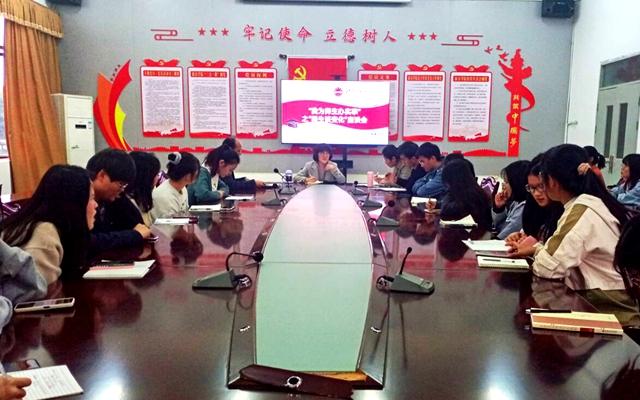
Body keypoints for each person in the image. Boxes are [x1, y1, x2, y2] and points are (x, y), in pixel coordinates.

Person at [513, 144, 630, 291]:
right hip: (599, 294)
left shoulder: (581, 210)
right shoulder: (586, 203)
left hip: (603, 300)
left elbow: (547, 267)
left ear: (552, 181)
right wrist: (536, 249)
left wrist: (537, 250)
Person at [1, 165, 98, 283]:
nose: (96, 205)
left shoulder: (52, 227)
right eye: (91, 198)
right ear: (74, 203)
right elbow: (39, 291)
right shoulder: (44, 238)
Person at [87, 149, 152, 253]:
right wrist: (133, 235)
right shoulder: (78, 196)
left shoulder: (110, 198)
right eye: (121, 184)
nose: (122, 190)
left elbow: (139, 225)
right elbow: (88, 241)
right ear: (102, 175)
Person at [506, 155, 564, 246]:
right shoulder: (533, 208)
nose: (536, 193)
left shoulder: (565, 212)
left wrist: (535, 247)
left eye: (541, 186)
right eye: (532, 188)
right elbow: (530, 233)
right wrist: (518, 236)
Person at [104, 151, 161, 229]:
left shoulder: (140, 199)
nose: (158, 178)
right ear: (146, 178)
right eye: (156, 174)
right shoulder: (123, 204)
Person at [440, 159, 492, 231]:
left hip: (473, 234)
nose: (447, 186)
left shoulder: (470, 197)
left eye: (448, 183)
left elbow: (446, 212)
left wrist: (450, 192)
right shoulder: (474, 191)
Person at [151, 152, 200, 220]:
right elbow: (170, 224)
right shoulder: (164, 196)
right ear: (187, 175)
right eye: (196, 170)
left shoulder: (183, 188)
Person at [492, 160, 530, 239]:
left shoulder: (524, 207)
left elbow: (504, 235)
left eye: (506, 182)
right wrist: (499, 209)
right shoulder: (515, 203)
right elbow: (497, 227)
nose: (504, 186)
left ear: (516, 183)